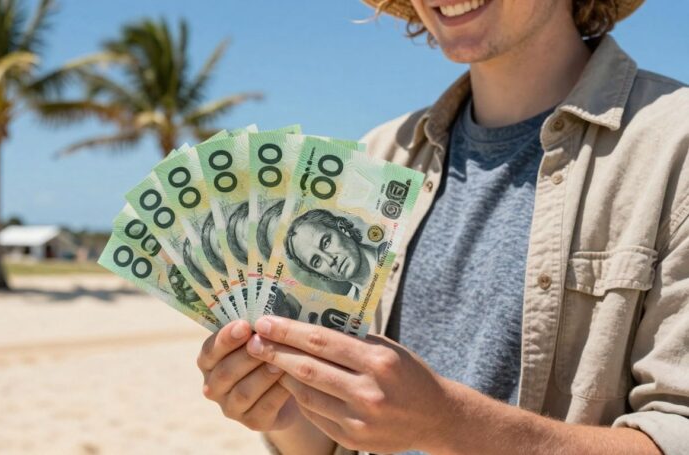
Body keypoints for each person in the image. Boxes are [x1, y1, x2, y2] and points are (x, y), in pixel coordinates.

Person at [197, 0, 689, 454]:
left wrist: (447, 422)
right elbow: (324, 445)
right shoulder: (380, 157)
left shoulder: (674, 146)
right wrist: (284, 407)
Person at [284, 209, 387, 300]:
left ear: (343, 229)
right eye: (317, 261)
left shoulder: (394, 252)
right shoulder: (354, 305)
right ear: (320, 274)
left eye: (326, 243)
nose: (330, 260)